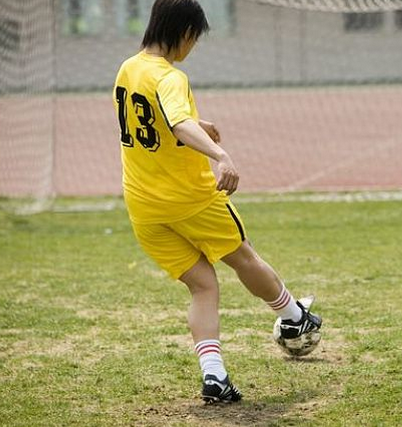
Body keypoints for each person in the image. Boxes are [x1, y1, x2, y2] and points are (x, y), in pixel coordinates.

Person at [112, 0, 321, 404]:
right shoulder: (171, 76)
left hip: (144, 207)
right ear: (185, 32)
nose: (192, 47)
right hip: (190, 199)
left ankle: (215, 377)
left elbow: (150, 118)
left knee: (203, 286)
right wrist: (220, 155)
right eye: (194, 38)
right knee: (243, 256)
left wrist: (195, 123)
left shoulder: (128, 68)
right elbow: (177, 122)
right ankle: (293, 317)